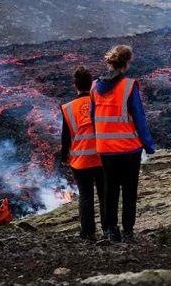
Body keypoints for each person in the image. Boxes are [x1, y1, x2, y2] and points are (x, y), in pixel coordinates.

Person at [90, 45, 154, 243]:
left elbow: (93, 117)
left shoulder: (94, 87)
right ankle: (127, 231)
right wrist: (148, 145)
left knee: (110, 190)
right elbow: (139, 117)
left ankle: (111, 230)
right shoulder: (128, 86)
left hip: (105, 149)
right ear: (126, 62)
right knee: (129, 190)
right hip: (128, 149)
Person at [60, 66, 105, 240]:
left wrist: (64, 157)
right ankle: (108, 228)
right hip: (102, 156)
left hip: (80, 160)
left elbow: (66, 137)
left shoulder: (68, 107)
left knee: (85, 195)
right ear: (91, 83)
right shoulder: (100, 102)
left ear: (75, 85)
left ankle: (88, 232)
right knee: (105, 194)